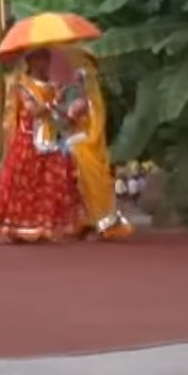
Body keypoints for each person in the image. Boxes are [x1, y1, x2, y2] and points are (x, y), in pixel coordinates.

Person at [0, 49, 87, 242]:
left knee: (52, 182)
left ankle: (42, 225)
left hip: (51, 139)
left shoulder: (53, 86)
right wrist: (54, 101)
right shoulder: (22, 85)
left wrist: (68, 102)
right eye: (42, 59)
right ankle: (20, 227)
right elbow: (33, 111)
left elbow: (57, 113)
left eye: (47, 58)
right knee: (24, 184)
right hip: (28, 141)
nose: (47, 63)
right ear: (31, 61)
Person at [58, 48, 133, 239]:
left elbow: (66, 119)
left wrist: (56, 101)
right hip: (86, 145)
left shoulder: (86, 102)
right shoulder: (92, 101)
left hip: (84, 146)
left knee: (82, 183)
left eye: (80, 78)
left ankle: (93, 224)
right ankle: (87, 223)